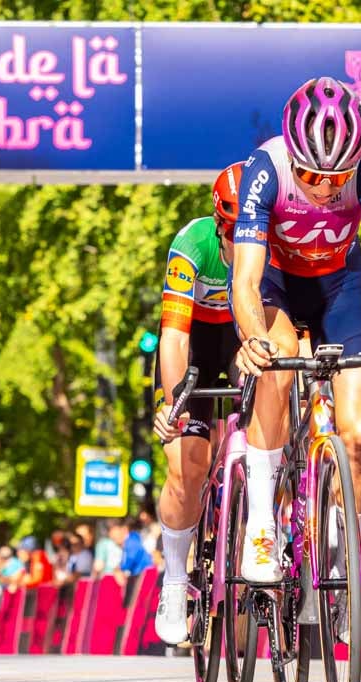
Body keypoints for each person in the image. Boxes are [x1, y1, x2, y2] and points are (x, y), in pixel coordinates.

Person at [230, 76, 361, 646]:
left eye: (335, 178)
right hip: (278, 289)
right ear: (294, 156)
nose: (323, 188)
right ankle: (263, 521)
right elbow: (244, 278)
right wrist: (250, 336)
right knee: (276, 356)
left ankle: (346, 566)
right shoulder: (265, 168)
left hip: (339, 293)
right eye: (313, 175)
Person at [149, 160, 247, 644]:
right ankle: (173, 578)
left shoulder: (275, 246)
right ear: (219, 226)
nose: (238, 245)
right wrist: (174, 405)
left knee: (280, 425)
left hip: (246, 338)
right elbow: (173, 338)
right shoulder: (192, 246)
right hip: (195, 345)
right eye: (231, 235)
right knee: (187, 466)